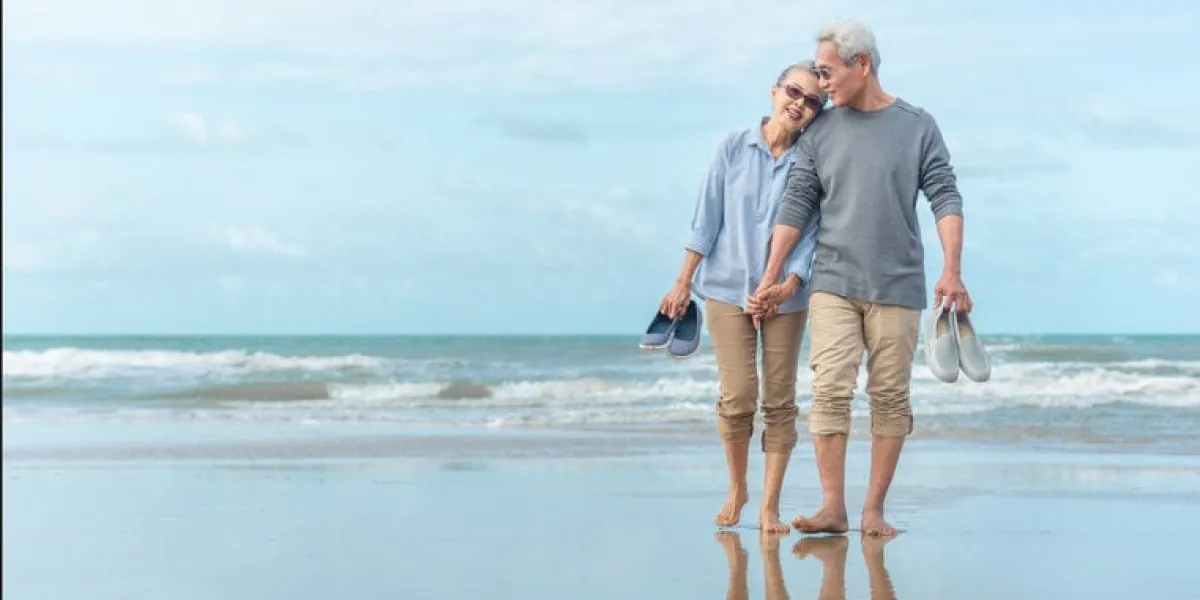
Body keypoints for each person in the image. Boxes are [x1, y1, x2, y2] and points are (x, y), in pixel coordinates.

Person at [749, 19, 972, 537]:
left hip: (898, 285)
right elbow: (797, 201)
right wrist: (772, 274)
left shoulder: (917, 125)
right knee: (829, 391)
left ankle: (873, 510)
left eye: (827, 72)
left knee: (890, 397)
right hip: (832, 280)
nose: (820, 84)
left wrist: (953, 270)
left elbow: (945, 196)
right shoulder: (819, 131)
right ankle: (833, 508)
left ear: (862, 64)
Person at [658, 61, 825, 534]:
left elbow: (812, 234)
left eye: (813, 101)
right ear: (774, 91)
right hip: (727, 291)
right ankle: (738, 488)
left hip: (786, 298)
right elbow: (705, 220)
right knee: (737, 397)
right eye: (794, 91)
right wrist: (682, 282)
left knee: (779, 400)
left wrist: (789, 284)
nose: (800, 103)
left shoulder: (811, 161)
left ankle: (770, 505)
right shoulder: (731, 147)